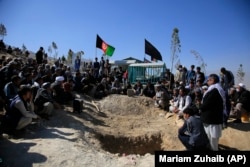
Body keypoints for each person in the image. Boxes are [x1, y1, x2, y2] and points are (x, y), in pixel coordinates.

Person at [199, 74, 225, 151]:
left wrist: (199, 107)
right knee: (211, 138)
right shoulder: (215, 89)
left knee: (212, 138)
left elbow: (207, 104)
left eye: (208, 80)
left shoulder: (215, 90)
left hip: (212, 119)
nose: (207, 81)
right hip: (212, 118)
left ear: (212, 80)